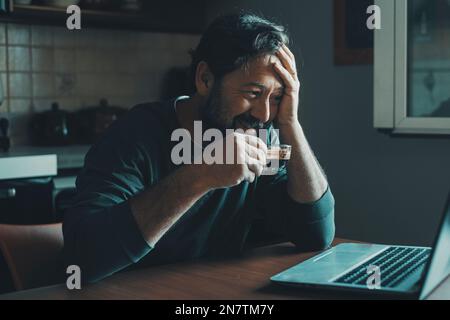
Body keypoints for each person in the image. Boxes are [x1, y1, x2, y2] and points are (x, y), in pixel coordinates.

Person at [63, 13, 335, 283]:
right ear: (205, 79)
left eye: (275, 98)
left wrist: (290, 123)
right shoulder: (135, 133)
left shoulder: (262, 135)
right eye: (253, 93)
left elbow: (316, 235)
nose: (264, 114)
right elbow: (83, 258)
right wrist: (200, 176)